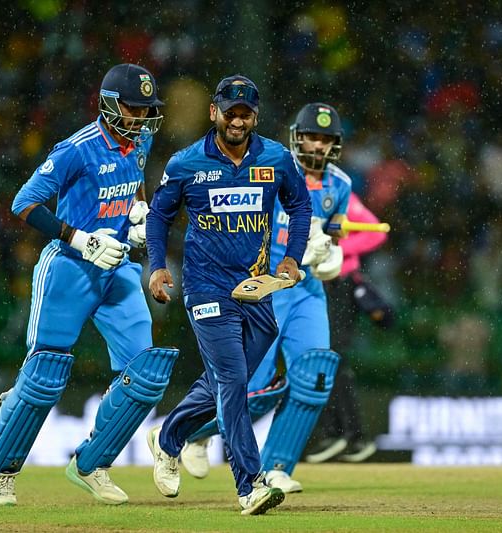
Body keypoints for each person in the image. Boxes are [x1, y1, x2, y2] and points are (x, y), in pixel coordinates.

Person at [0, 64, 180, 506]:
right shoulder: (77, 148)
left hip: (118, 267)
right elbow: (23, 202)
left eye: (149, 108)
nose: (144, 117)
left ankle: (91, 464)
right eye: (135, 107)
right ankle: (1, 473)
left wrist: (139, 216)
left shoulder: (141, 139)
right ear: (109, 105)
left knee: (146, 373)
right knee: (45, 376)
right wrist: (79, 238)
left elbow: (134, 187)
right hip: (70, 266)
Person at [144, 75, 312, 515]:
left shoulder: (276, 158)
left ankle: (168, 438)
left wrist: (292, 257)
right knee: (234, 382)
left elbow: (300, 205)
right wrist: (157, 265)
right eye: (231, 111)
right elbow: (159, 216)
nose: (238, 119)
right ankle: (248, 484)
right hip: (206, 287)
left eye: (246, 112)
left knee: (222, 382)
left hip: (257, 289)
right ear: (214, 112)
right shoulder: (185, 164)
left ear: (255, 116)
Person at [177, 102, 351, 493]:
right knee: (253, 388)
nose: (319, 146)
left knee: (314, 376)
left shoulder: (340, 184)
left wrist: (328, 255)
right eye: (312, 137)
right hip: (262, 285)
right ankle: (191, 433)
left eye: (326, 139)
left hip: (306, 291)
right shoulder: (270, 166)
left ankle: (276, 467)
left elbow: (333, 244)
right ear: (297, 136)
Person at [305, 191, 390, 464]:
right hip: (306, 284)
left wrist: (337, 248)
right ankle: (345, 434)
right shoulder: (292, 186)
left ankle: (344, 434)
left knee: (331, 355)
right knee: (318, 356)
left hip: (339, 283)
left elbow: (377, 232)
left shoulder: (339, 191)